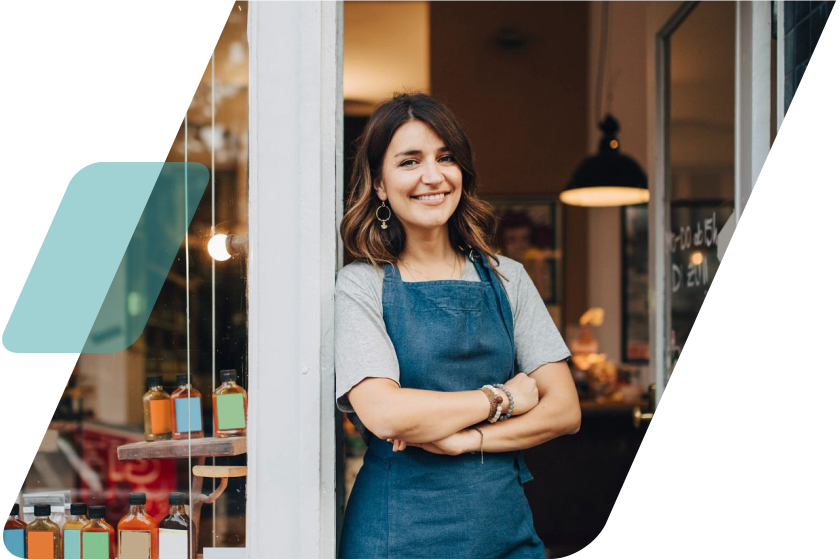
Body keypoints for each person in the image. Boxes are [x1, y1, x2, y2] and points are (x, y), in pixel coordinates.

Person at [335, 92, 581, 559]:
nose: (433, 176)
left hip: (504, 531)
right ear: (380, 184)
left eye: (445, 158)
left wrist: (467, 440)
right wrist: (503, 397)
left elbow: (565, 410)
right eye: (409, 161)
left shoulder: (508, 276)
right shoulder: (360, 284)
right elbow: (385, 413)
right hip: (396, 535)